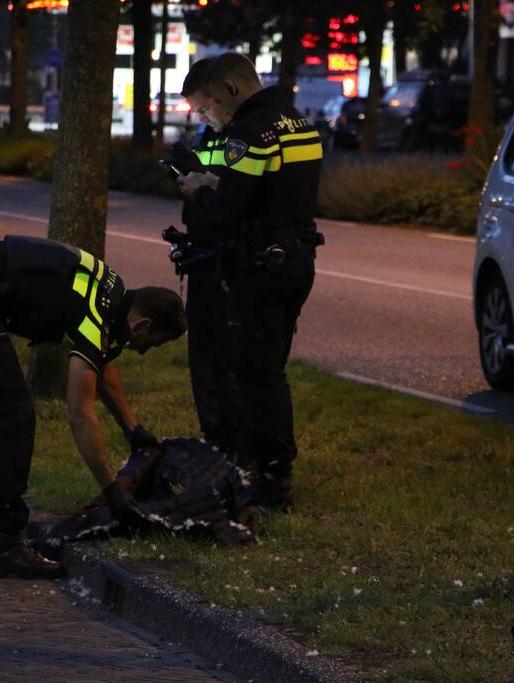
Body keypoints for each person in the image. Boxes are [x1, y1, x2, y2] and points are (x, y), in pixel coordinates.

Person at [0, 235, 186, 579]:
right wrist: (112, 490)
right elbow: (80, 412)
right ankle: (3, 543)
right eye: (152, 343)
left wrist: (132, 429)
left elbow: (101, 367)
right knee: (13, 416)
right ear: (142, 325)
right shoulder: (98, 317)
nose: (144, 351)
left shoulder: (110, 292)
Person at [178, 52, 324, 512]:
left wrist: (198, 188)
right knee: (268, 369)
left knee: (256, 377)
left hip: (259, 265)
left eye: (213, 103)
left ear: (232, 91)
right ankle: (265, 472)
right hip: (295, 257)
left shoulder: (249, 133)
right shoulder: (299, 124)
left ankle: (272, 481)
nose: (214, 112)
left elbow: (225, 212)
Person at [169, 57, 238, 453]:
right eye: (195, 109)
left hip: (229, 260)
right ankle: (214, 441)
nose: (201, 115)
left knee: (229, 361)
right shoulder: (210, 135)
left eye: (202, 106)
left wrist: (206, 184)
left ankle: (234, 448)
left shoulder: (244, 135)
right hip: (203, 253)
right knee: (204, 358)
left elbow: (237, 198)